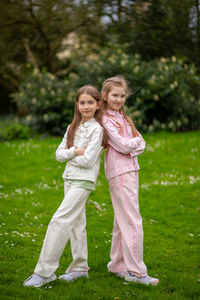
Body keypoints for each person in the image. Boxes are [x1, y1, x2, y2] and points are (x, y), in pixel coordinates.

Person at [24, 85, 106, 288]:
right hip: (68, 178)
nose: (86, 106)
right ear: (77, 105)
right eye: (82, 102)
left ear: (98, 105)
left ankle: (44, 273)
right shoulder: (72, 128)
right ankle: (80, 268)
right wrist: (75, 151)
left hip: (83, 181)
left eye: (90, 102)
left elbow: (88, 161)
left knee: (59, 220)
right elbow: (58, 155)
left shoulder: (98, 130)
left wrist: (71, 155)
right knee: (77, 223)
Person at [101, 75, 159, 285]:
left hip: (130, 169)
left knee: (121, 219)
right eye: (115, 95)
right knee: (133, 220)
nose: (119, 99)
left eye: (122, 95)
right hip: (119, 172)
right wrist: (131, 145)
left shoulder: (123, 117)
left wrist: (131, 145)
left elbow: (141, 143)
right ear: (105, 96)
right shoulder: (107, 119)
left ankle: (117, 265)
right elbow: (125, 146)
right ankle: (136, 272)